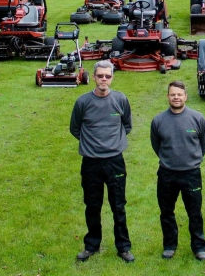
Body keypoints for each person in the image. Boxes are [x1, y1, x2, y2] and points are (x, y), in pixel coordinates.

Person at [70, 60, 134, 263]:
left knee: (118, 206)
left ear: (112, 78)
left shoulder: (120, 100)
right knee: (92, 205)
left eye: (107, 76)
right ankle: (92, 246)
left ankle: (123, 247)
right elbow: (75, 128)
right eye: (100, 76)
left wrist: (112, 144)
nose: (104, 79)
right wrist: (92, 144)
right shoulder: (83, 102)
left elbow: (127, 125)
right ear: (94, 77)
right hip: (91, 163)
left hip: (115, 161)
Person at [150, 81, 205, 261]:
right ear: (168, 96)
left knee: (195, 212)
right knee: (166, 211)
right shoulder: (158, 120)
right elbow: (156, 145)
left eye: (179, 94)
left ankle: (199, 247)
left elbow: (204, 144)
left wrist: (192, 160)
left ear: (185, 96)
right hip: (167, 174)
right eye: (172, 94)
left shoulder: (197, 118)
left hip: (191, 174)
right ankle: (169, 245)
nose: (176, 97)